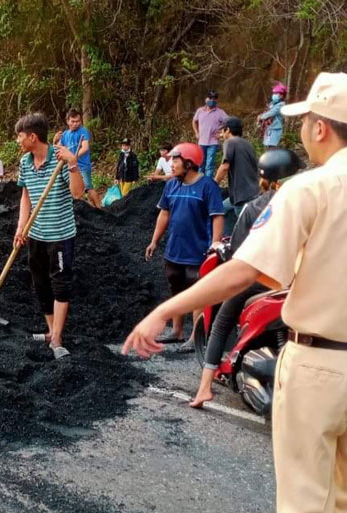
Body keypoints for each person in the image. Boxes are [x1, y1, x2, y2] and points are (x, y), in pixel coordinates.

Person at [122, 72, 347, 513]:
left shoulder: (311, 190)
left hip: (319, 368)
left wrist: (165, 309)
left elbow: (242, 271)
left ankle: (208, 372)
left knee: (308, 499)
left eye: (304, 121)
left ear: (320, 128)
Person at [189, 149, 304, 408]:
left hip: (263, 278)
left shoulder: (255, 207)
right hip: (300, 278)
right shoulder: (310, 200)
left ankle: (205, 388)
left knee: (220, 323)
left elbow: (238, 254)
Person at [14, 113, 85, 359]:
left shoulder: (60, 159)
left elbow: (78, 194)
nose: (18, 141)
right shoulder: (25, 162)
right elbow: (26, 196)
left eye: (20, 136)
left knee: (60, 285)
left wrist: (73, 162)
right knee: (40, 283)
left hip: (60, 236)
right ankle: (50, 329)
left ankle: (57, 338)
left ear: (33, 137)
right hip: (36, 234)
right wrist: (21, 227)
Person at [145, 142, 224, 352]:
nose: (171, 164)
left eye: (175, 160)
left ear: (189, 163)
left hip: (198, 252)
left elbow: (217, 216)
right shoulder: (171, 185)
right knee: (177, 289)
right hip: (174, 250)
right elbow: (164, 213)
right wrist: (154, 241)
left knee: (197, 293)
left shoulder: (208, 186)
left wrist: (215, 244)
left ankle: (194, 338)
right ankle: (177, 331)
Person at [214, 116, 260, 233]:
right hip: (253, 191)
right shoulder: (247, 144)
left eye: (222, 130)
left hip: (242, 195)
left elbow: (225, 166)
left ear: (227, 130)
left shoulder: (230, 142)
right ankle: (224, 237)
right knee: (220, 209)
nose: (221, 134)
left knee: (245, 230)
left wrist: (213, 184)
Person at [53, 109, 101, 208]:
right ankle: (83, 211)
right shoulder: (65, 135)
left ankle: (100, 208)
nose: (75, 124)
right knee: (76, 191)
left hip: (82, 166)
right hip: (71, 168)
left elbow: (85, 147)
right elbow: (58, 149)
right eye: (73, 121)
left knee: (88, 188)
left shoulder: (83, 131)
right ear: (68, 121)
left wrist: (73, 157)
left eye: (78, 121)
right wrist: (54, 141)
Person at [192, 90, 228, 178]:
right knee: (200, 164)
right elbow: (194, 121)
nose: (212, 100)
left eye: (214, 98)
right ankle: (200, 181)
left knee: (210, 165)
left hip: (213, 142)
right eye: (210, 98)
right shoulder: (200, 111)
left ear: (216, 100)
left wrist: (220, 133)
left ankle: (208, 183)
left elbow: (229, 121)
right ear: (206, 99)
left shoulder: (220, 112)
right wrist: (196, 132)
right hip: (201, 141)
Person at [258, 82, 287, 149]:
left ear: (282, 95)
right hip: (270, 128)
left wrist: (261, 117)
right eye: (274, 93)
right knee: (268, 146)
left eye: (276, 93)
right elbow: (267, 111)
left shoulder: (281, 105)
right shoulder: (273, 103)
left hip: (276, 129)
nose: (274, 95)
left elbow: (271, 113)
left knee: (272, 147)